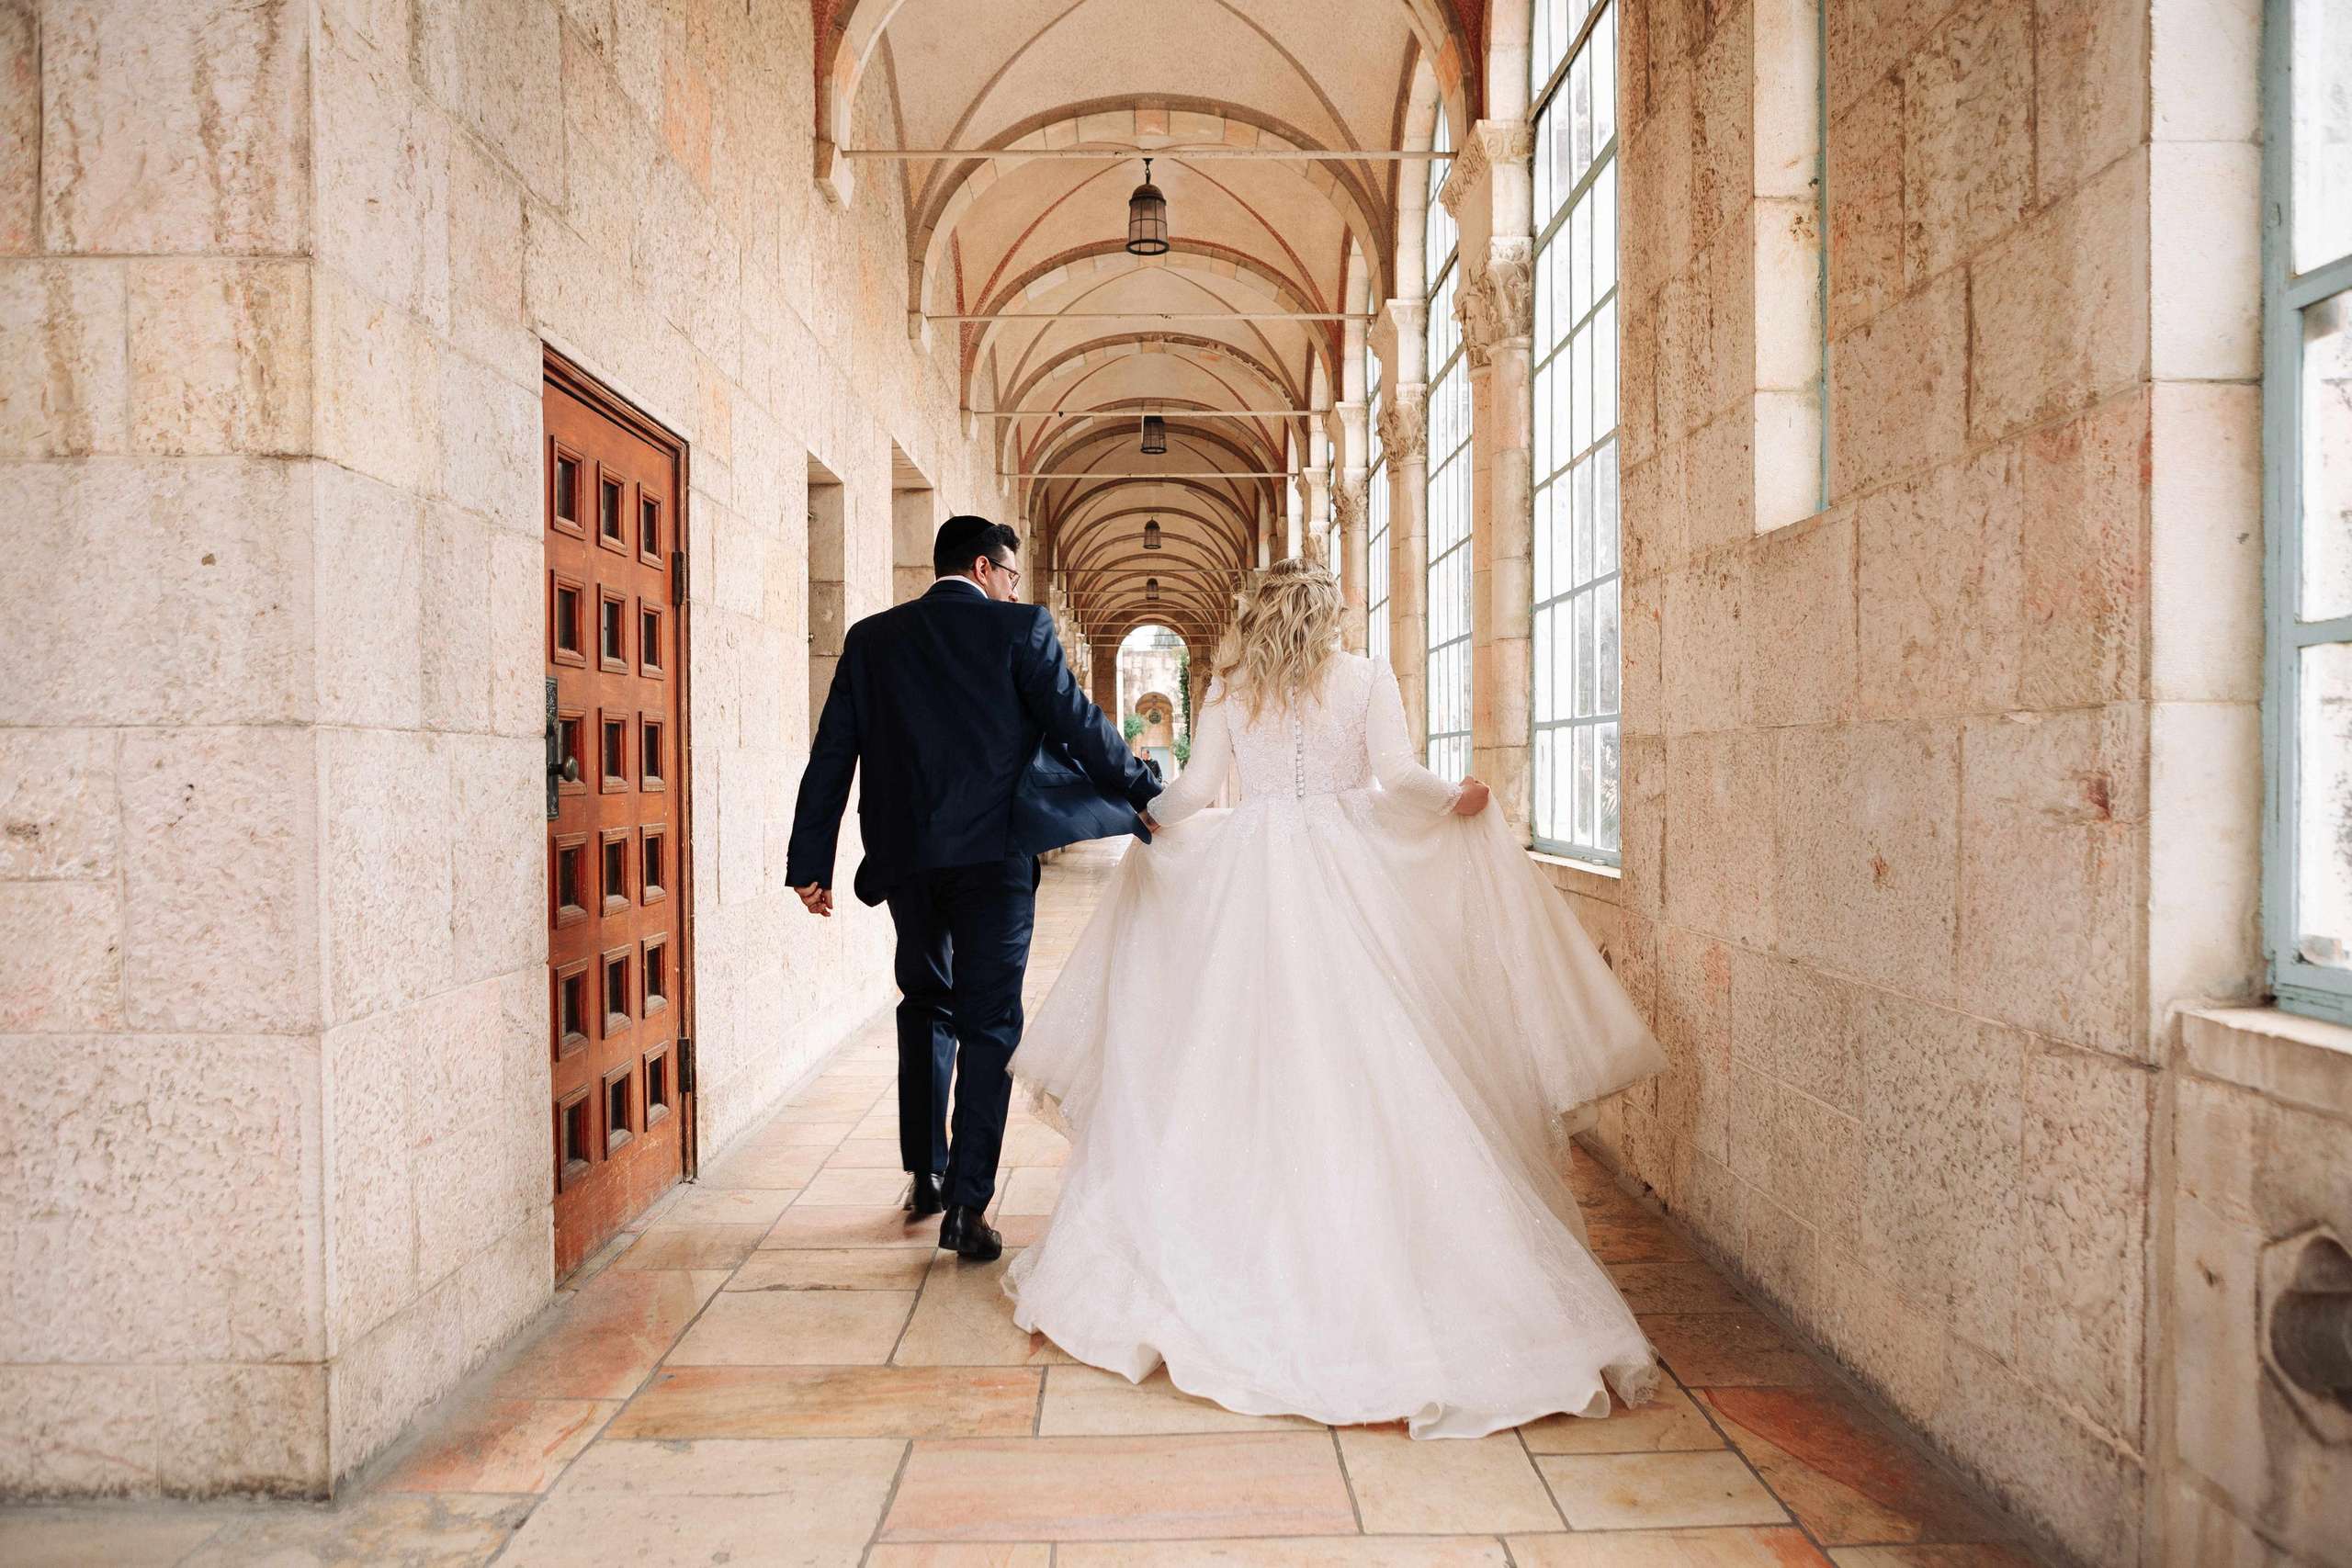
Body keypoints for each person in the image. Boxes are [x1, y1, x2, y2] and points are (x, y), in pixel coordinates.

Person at [1005, 557, 1668, 1436]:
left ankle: (1243, 1242)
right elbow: (1398, 774)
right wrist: (1459, 796)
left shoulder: (1232, 686)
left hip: (1254, 880)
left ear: (1261, 613)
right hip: (1351, 879)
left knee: (1248, 1056)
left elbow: (1195, 792)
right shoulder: (1365, 677)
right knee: (1375, 1052)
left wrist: (1146, 817)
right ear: (1326, 613)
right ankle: (1375, 1246)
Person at [786, 516, 1161, 1260]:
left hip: (908, 860)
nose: (1015, 591)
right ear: (985, 568)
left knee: (926, 1000)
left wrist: (810, 861)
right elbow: (1078, 724)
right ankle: (966, 1204)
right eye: (1011, 576)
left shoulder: (871, 640)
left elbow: (832, 752)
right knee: (990, 1021)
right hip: (993, 858)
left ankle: (926, 1173)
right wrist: (1145, 789)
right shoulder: (1020, 630)